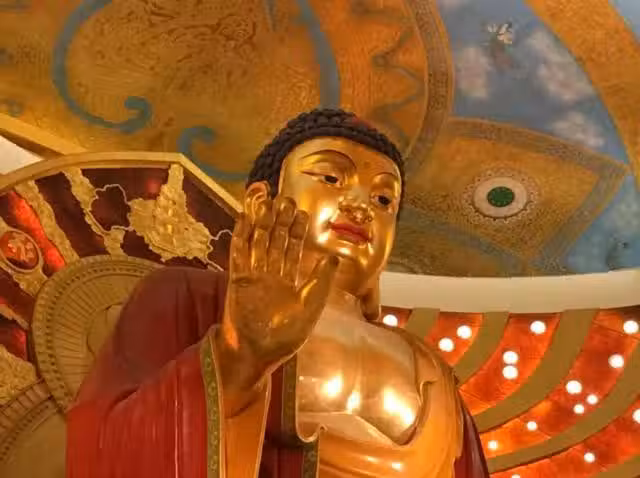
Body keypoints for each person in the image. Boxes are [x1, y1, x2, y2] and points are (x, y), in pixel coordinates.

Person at [67, 109, 489, 478]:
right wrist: (237, 358)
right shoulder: (188, 296)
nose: (361, 206)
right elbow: (102, 443)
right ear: (260, 201)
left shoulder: (432, 369)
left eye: (383, 199)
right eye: (331, 178)